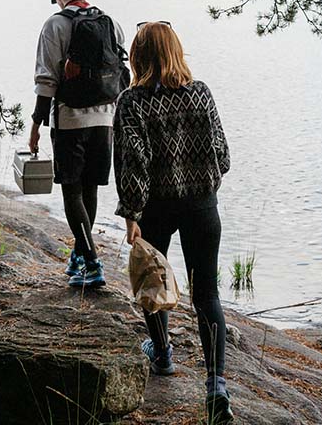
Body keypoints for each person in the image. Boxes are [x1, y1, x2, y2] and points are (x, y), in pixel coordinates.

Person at [114, 22, 233, 425]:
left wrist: (131, 214)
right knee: (207, 295)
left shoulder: (132, 101)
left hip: (156, 208)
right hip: (202, 206)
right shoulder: (201, 93)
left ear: (138, 56)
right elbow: (223, 155)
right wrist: (204, 183)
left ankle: (163, 353)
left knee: (152, 281)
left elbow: (134, 163)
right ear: (176, 51)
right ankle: (216, 385)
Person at [29, 0, 127, 288]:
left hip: (70, 120)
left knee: (72, 191)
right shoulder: (111, 23)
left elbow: (46, 80)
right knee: (90, 189)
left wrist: (36, 125)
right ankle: (79, 255)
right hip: (105, 119)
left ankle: (92, 262)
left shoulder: (54, 25)